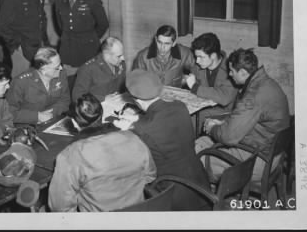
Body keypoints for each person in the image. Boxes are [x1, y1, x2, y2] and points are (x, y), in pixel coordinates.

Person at [114, 69, 211, 211]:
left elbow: (139, 158)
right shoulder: (180, 106)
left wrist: (129, 127)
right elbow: (161, 122)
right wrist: (136, 120)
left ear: (136, 100)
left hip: (172, 193)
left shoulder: (143, 130)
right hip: (200, 183)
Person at [48, 93, 156, 212]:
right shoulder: (133, 139)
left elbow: (59, 207)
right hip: (137, 217)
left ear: (74, 123)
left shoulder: (71, 155)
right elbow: (150, 176)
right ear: (102, 115)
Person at [195, 48, 290, 182]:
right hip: (272, 153)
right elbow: (248, 119)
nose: (229, 74)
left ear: (243, 73)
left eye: (232, 71)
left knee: (198, 156)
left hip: (259, 161)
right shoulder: (266, 83)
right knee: (201, 142)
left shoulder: (253, 96)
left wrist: (212, 129)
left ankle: (207, 195)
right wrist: (222, 124)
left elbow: (228, 137)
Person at [53, 0, 109, 75]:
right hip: (67, 52)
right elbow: (60, 27)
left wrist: (90, 38)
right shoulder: (59, 1)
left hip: (88, 52)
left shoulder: (92, 0)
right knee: (68, 83)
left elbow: (103, 24)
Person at [185, 32, 238, 135]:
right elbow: (191, 77)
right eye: (196, 57)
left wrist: (195, 87)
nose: (197, 61)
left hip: (225, 112)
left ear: (213, 55)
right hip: (203, 106)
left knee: (193, 119)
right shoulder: (199, 66)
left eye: (201, 57)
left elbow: (224, 98)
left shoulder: (230, 69)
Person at [6, 47, 70, 125]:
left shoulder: (61, 74)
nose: (61, 68)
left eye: (60, 64)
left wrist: (52, 113)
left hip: (53, 120)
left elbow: (65, 100)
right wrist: (37, 116)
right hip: (27, 125)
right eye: (57, 67)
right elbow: (9, 113)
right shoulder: (21, 82)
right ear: (43, 69)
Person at [72, 37, 126, 102]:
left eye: (122, 54)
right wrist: (102, 99)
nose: (123, 58)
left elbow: (122, 87)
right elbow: (77, 96)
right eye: (119, 56)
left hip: (117, 104)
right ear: (106, 54)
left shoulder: (121, 63)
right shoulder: (88, 69)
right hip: (96, 107)